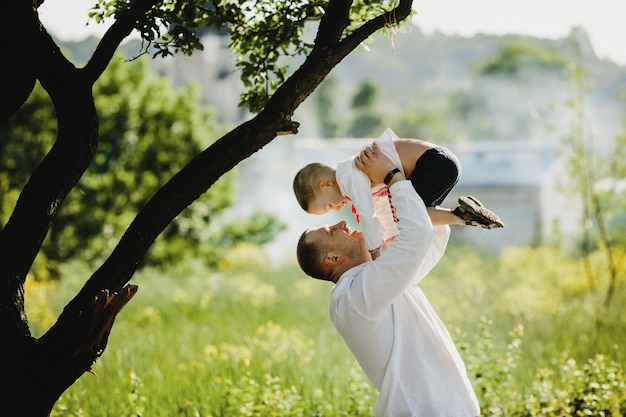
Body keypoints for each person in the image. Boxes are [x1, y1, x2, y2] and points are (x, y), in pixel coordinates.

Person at [296, 142, 480, 417]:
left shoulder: (372, 284)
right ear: (332, 260)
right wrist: (392, 176)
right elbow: (417, 238)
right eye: (332, 231)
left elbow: (423, 248)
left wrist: (428, 204)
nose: (342, 222)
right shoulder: (353, 297)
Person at [293, 127, 503, 258]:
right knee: (418, 214)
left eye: (330, 205)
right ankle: (464, 215)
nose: (338, 208)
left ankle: (461, 217)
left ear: (326, 184)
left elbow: (368, 216)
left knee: (410, 215)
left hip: (432, 164)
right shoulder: (354, 168)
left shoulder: (349, 177)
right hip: (444, 162)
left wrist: (375, 252)